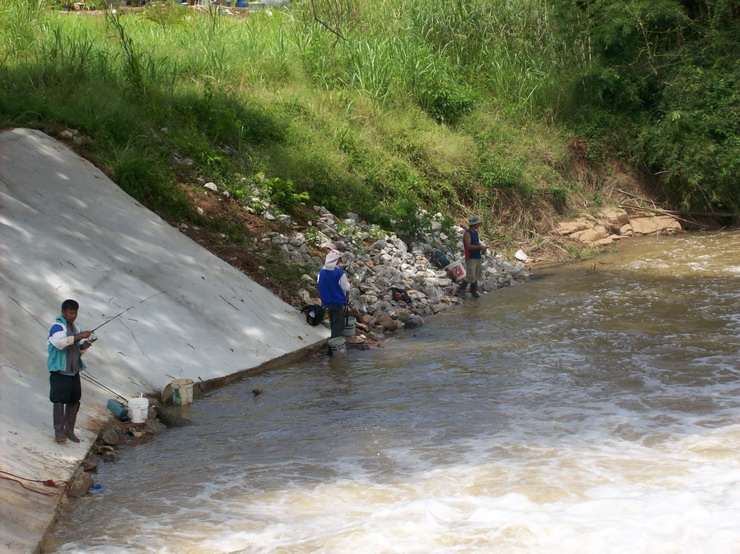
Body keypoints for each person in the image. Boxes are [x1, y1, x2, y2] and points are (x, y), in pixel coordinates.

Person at [48, 299, 94, 443]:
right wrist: (80, 336)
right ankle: (59, 432)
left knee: (74, 400)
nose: (73, 315)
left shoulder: (76, 328)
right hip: (60, 371)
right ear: (63, 312)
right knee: (59, 401)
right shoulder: (57, 327)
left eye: (75, 313)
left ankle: (69, 430)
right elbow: (61, 344)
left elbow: (77, 351)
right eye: (70, 312)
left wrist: (85, 346)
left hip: (73, 371)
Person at [317, 249, 351, 339]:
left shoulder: (321, 271)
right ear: (337, 260)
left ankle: (334, 341)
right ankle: (334, 345)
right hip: (337, 301)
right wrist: (348, 283)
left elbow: (319, 283)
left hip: (326, 301)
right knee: (338, 325)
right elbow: (346, 288)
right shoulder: (339, 272)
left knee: (333, 322)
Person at [458, 215, 487, 298]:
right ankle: (461, 290)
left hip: (477, 256)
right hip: (471, 257)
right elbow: (468, 246)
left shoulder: (475, 232)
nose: (479, 225)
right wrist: (480, 247)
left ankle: (473, 291)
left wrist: (482, 250)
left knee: (476, 275)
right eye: (478, 224)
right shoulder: (467, 233)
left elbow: (476, 244)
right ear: (475, 224)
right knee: (470, 275)